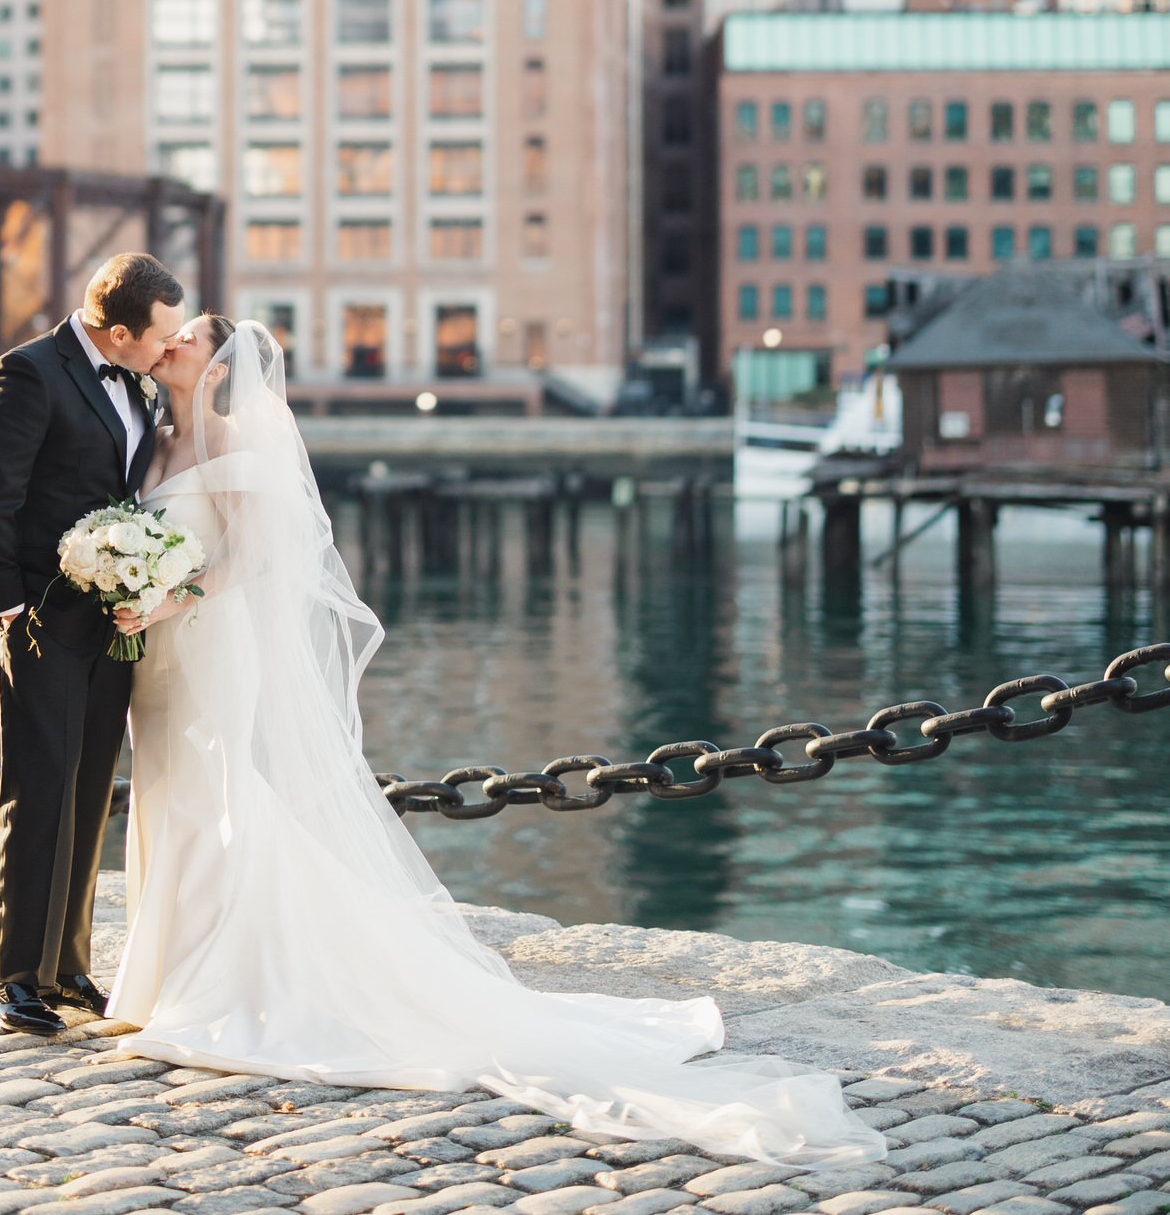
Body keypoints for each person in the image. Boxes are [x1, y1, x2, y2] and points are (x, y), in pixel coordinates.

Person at [107, 316, 887, 1170]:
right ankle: (160, 969)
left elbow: (253, 558)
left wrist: (167, 599)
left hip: (209, 643)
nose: (171, 343)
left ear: (218, 367)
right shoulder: (154, 440)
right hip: (157, 654)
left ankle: (223, 972)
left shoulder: (232, 439)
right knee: (170, 787)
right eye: (168, 334)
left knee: (221, 792)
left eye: (186, 337)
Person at [0, 250, 185, 1037]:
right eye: (160, 338)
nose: (169, 350)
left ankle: (66, 967)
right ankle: (10, 974)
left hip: (107, 621)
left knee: (90, 792)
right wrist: (5, 611)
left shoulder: (135, 380)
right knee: (41, 788)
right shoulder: (25, 374)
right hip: (37, 620)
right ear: (117, 331)